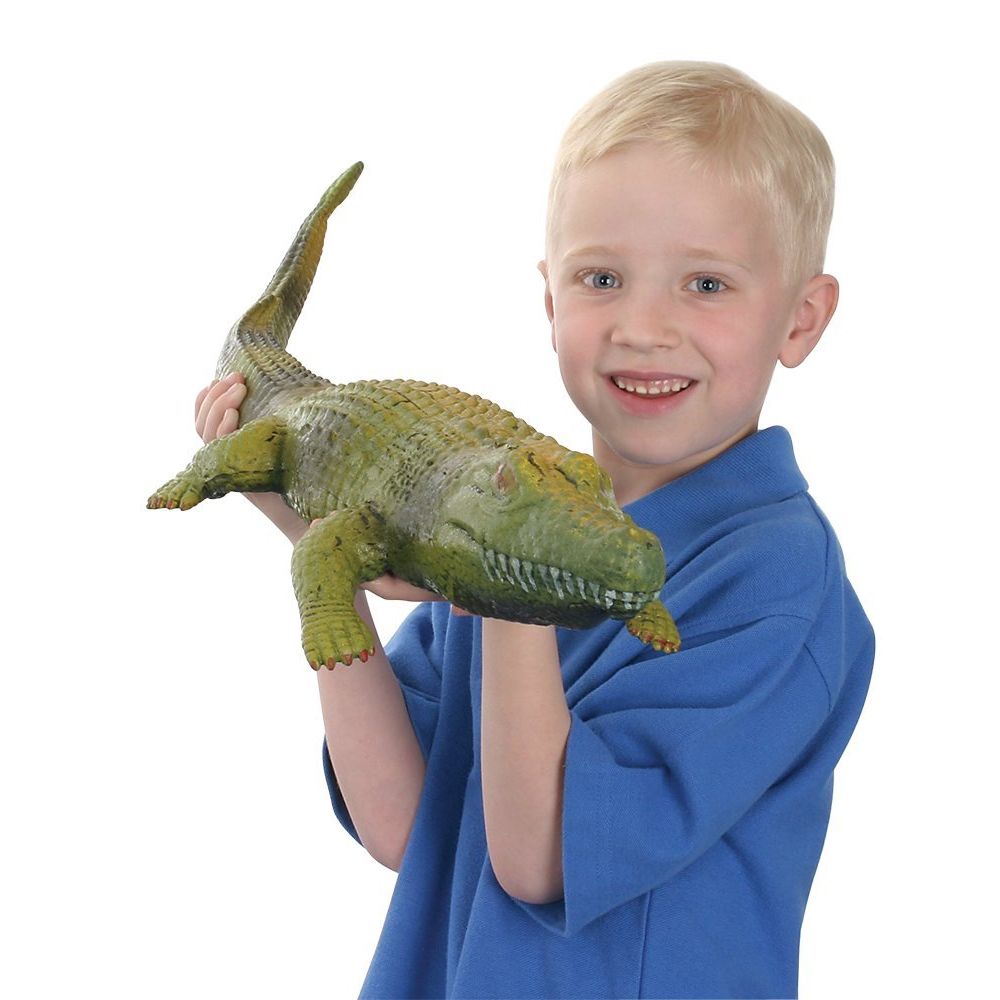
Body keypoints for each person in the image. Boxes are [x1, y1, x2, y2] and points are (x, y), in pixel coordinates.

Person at [193, 61, 875, 1000]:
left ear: (801, 320)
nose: (643, 326)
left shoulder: (777, 585)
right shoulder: (493, 508)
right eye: (603, 277)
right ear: (552, 301)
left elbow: (540, 858)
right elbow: (401, 822)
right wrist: (311, 533)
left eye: (706, 284)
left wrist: (504, 587)